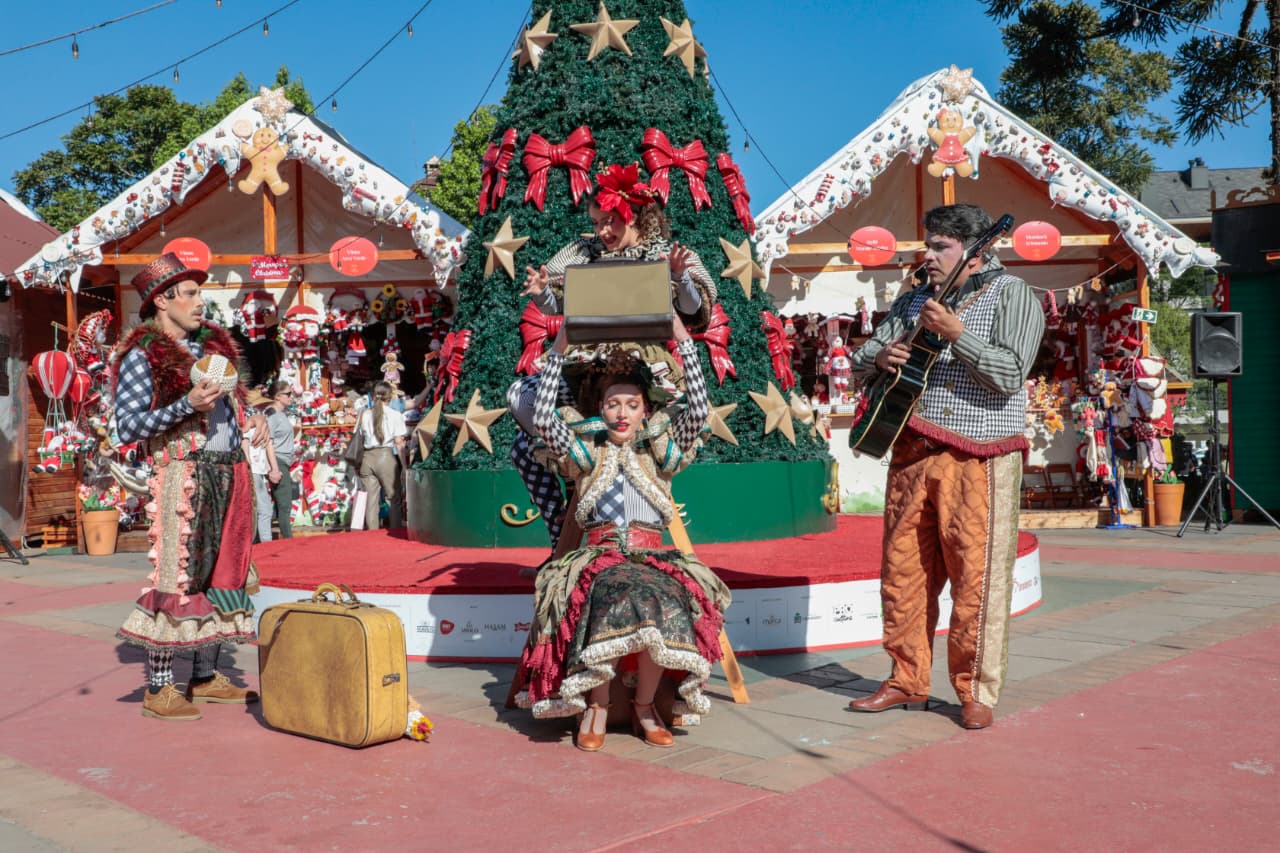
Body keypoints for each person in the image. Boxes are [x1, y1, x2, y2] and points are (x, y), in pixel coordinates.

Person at [846, 204, 1045, 730]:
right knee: (903, 573)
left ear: (976, 253)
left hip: (980, 455)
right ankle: (905, 679)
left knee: (976, 578)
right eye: (928, 245)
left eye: (940, 247)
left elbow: (1009, 373)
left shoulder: (1015, 294)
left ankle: (975, 690)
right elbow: (858, 359)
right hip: (911, 449)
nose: (927, 255)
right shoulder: (914, 297)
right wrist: (879, 358)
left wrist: (959, 333)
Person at [511, 314, 731, 752]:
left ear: (645, 410)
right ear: (601, 410)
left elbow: (699, 408)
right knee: (613, 591)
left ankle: (646, 706)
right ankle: (597, 703)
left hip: (652, 557)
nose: (623, 413)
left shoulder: (659, 450)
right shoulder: (584, 451)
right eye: (613, 404)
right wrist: (558, 347)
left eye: (632, 404)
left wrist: (684, 339)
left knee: (665, 595)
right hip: (596, 559)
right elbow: (542, 414)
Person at [514, 162, 718, 553]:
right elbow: (558, 300)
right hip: (585, 371)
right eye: (596, 222)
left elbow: (692, 310)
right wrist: (542, 291)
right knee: (520, 415)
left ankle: (592, 487)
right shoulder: (583, 254)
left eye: (610, 221)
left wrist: (679, 278)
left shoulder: (664, 253)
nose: (602, 231)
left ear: (636, 217)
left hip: (646, 372)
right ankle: (564, 515)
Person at [112, 252, 267, 721]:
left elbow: (229, 409)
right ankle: (159, 686)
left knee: (224, 572)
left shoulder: (212, 352)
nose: (201, 301)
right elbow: (128, 426)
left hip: (230, 469)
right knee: (180, 577)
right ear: (162, 299)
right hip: (185, 473)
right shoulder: (142, 357)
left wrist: (252, 416)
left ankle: (203, 676)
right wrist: (186, 404)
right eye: (191, 292)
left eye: (200, 292)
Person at [355, 380, 406, 530]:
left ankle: (371, 536)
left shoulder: (364, 415)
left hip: (367, 458)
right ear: (390, 396)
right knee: (393, 498)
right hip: (386, 457)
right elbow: (399, 443)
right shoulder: (395, 415)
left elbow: (360, 437)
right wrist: (404, 466)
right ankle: (395, 533)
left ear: (373, 396)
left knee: (371, 501)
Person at [244, 391, 281, 544]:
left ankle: (260, 541)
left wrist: (274, 468)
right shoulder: (247, 423)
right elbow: (244, 443)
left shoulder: (260, 424)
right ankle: (265, 542)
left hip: (258, 470)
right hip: (253, 470)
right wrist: (248, 465)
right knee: (264, 509)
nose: (265, 407)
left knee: (259, 508)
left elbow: (268, 446)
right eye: (262, 405)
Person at [265, 380, 297, 538]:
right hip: (277, 462)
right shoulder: (272, 414)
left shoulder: (280, 414)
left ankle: (271, 536)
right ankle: (288, 540)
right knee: (284, 504)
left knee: (279, 506)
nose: (292, 397)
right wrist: (274, 468)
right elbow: (268, 441)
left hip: (283, 460)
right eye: (288, 394)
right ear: (278, 396)